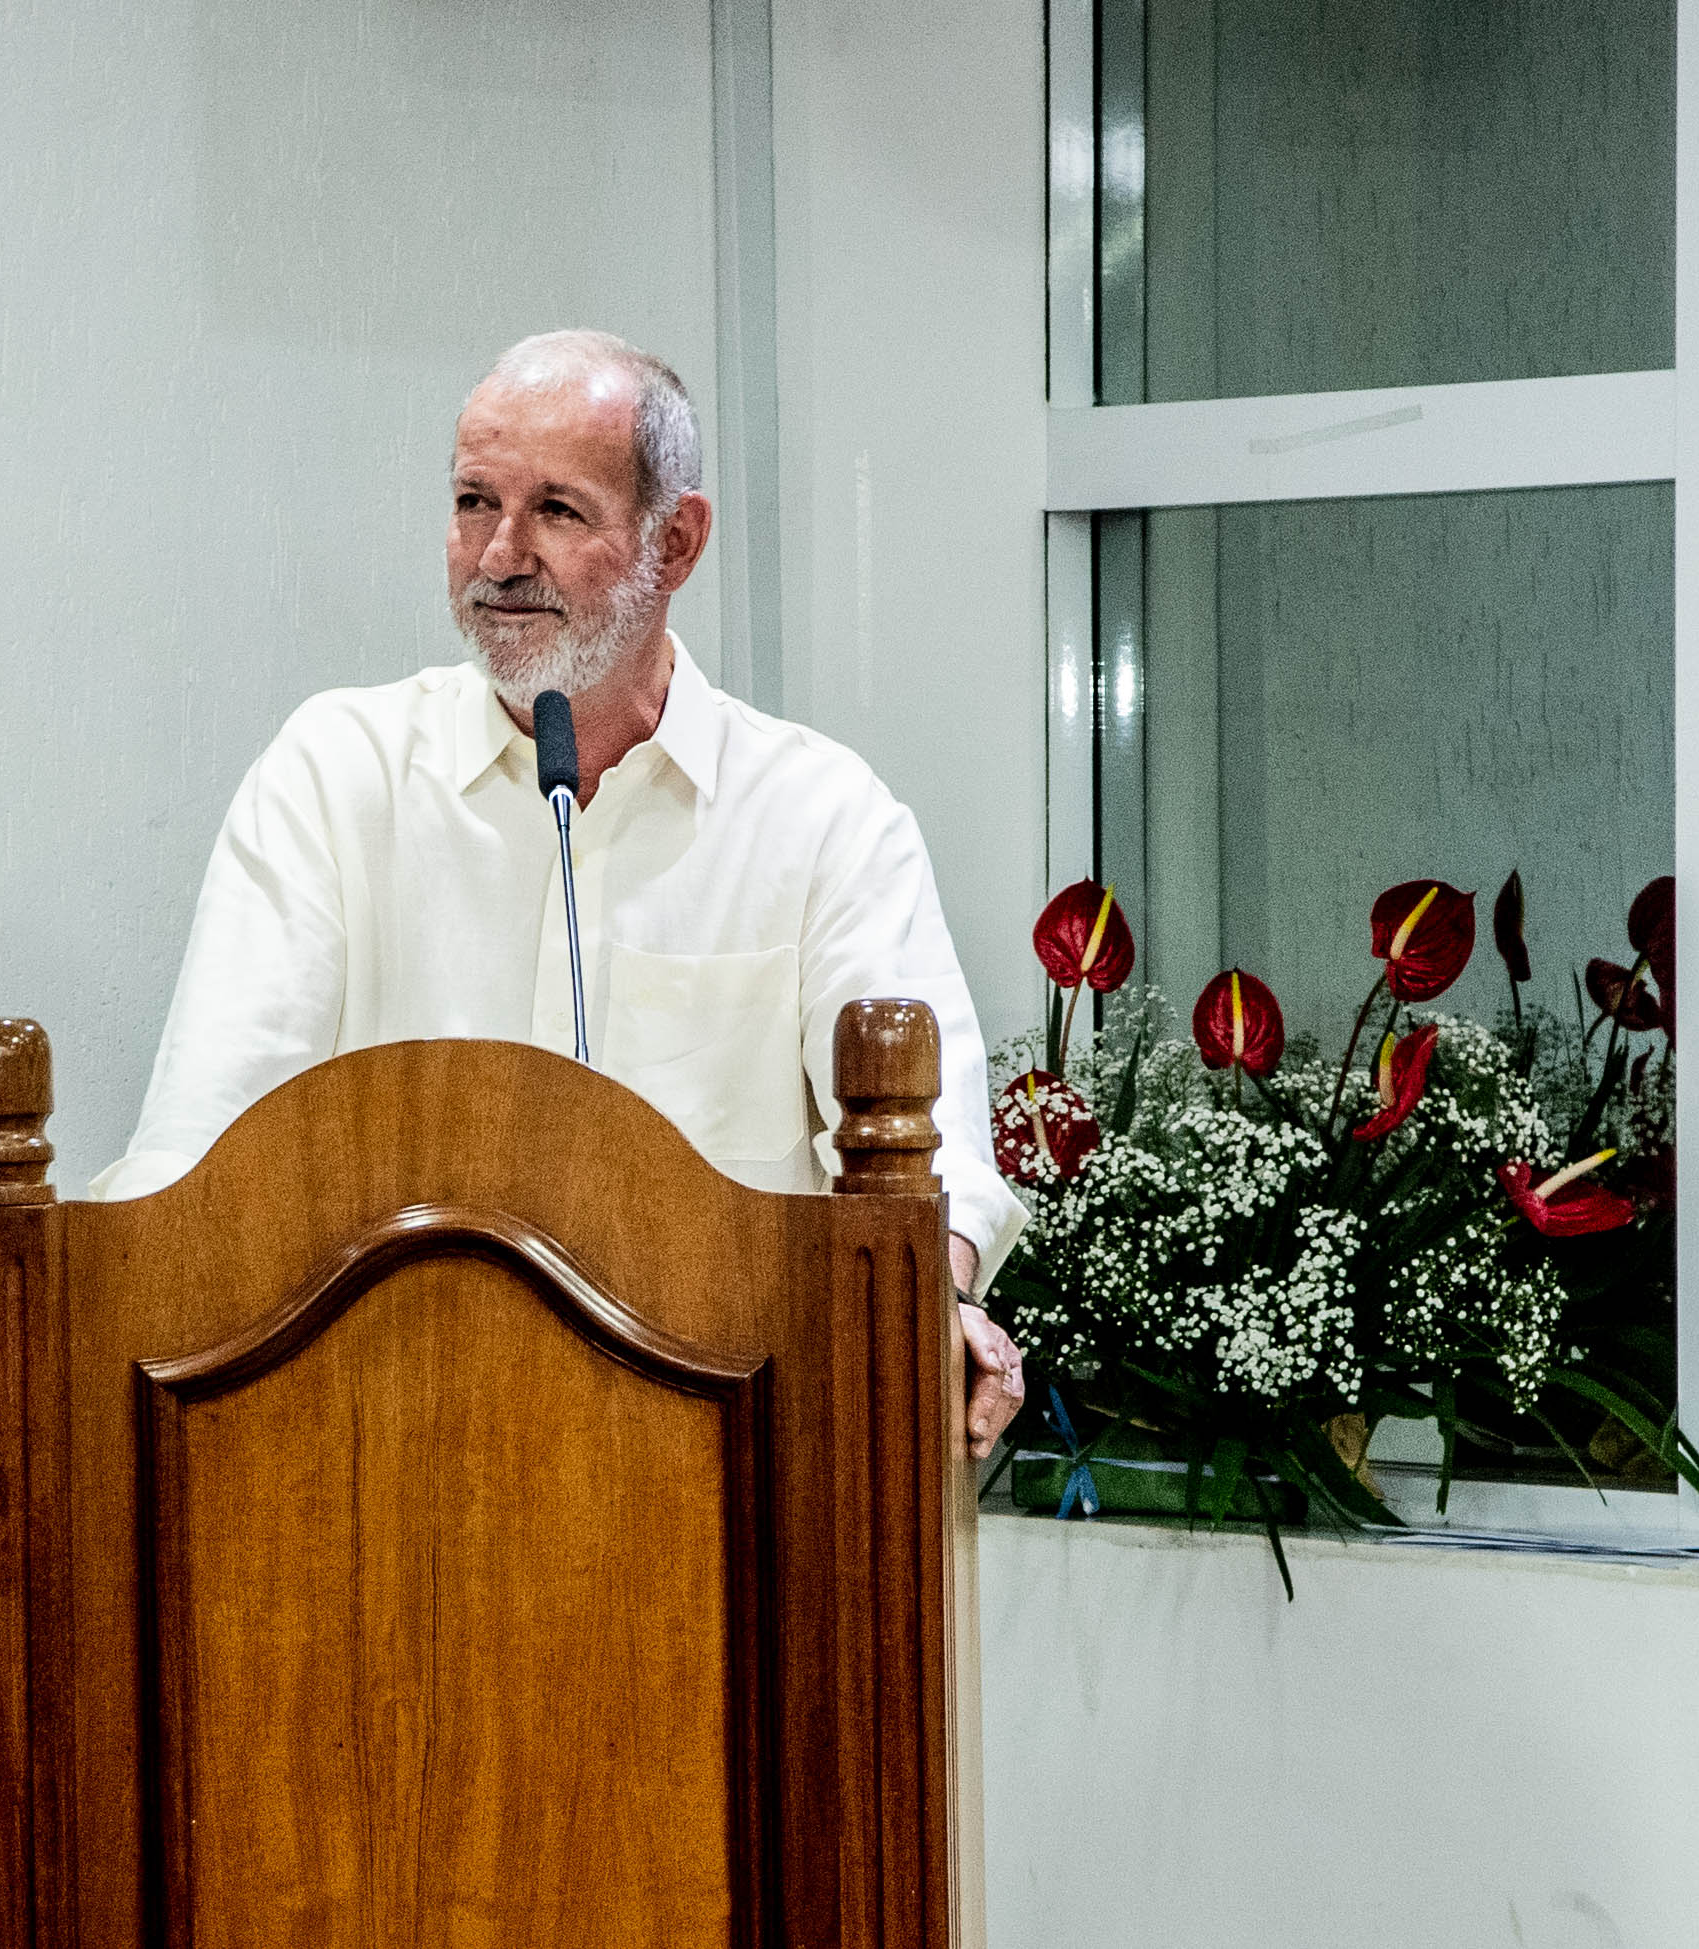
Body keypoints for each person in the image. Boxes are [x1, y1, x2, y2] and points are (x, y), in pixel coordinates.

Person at [95, 329, 1028, 1457]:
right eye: (473, 502)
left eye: (556, 510)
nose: (499, 555)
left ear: (676, 541)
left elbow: (936, 1170)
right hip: (379, 1455)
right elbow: (200, 1146)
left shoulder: (823, 817)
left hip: (721, 1461)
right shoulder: (334, 775)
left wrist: (935, 1299)